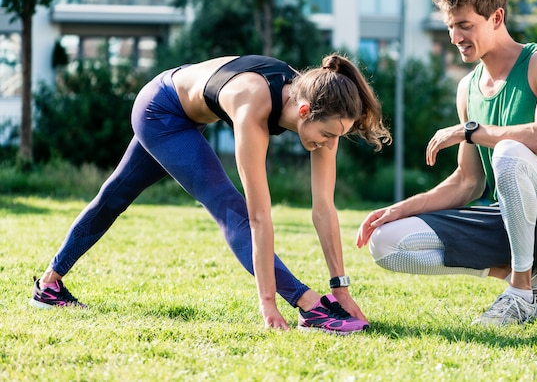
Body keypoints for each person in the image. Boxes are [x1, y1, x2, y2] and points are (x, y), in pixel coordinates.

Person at [31, 53, 392, 335]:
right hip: (161, 110)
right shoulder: (254, 106)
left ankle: (49, 285)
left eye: (337, 138)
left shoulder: (323, 107)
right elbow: (257, 216)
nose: (329, 145)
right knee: (229, 205)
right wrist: (269, 302)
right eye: (328, 135)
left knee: (114, 196)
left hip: (191, 114)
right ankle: (310, 306)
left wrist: (340, 287)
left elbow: (324, 209)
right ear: (302, 111)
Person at [356, 0, 537, 326]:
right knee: (387, 242)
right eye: (451, 27)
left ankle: (520, 295)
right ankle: (526, 273)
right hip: (510, 221)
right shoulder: (467, 88)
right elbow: (467, 183)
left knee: (508, 152)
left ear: (497, 17)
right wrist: (399, 209)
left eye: (465, 25)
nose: (455, 37)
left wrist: (472, 131)